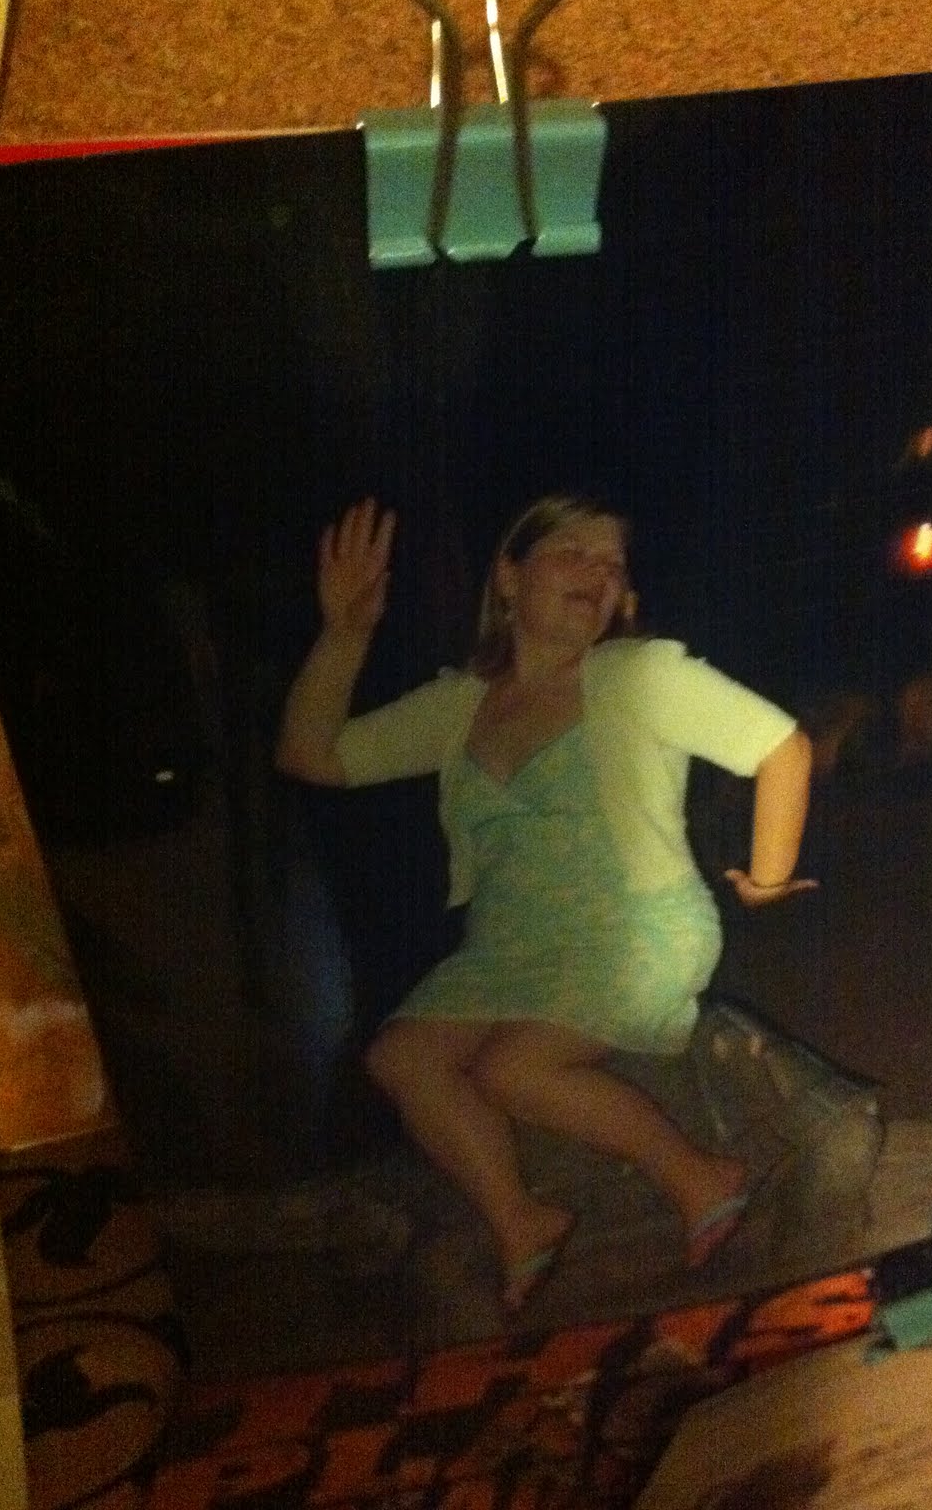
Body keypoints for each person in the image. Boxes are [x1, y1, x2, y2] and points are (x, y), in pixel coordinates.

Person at [276, 493, 816, 1312]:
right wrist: (345, 633)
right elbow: (311, 756)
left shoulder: (635, 677)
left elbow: (781, 747)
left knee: (512, 1069)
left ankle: (697, 1174)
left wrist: (768, 880)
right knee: (401, 1058)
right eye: (573, 553)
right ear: (508, 575)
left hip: (634, 930)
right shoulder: (459, 705)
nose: (598, 574)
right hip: (504, 948)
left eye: (613, 565)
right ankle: (520, 1219)